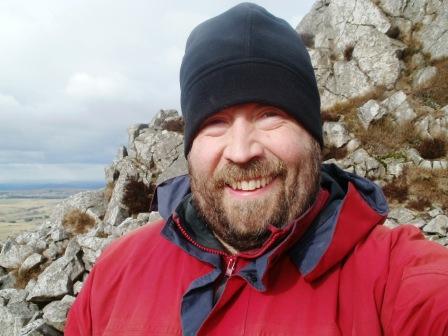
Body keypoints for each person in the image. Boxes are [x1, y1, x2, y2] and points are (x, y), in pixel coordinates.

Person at [66, 3, 448, 335]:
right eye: (215, 121)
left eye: (270, 115)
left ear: (314, 136)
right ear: (191, 144)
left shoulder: (394, 275)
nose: (241, 150)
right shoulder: (115, 275)